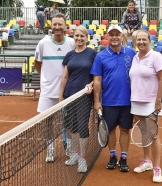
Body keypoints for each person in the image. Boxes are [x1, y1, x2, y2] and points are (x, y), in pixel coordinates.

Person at [90, 25, 136, 172]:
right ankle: (112, 156)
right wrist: (97, 101)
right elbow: (97, 80)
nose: (115, 37)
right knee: (110, 130)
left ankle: (123, 158)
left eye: (117, 34)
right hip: (108, 101)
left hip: (127, 101)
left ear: (122, 36)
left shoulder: (132, 53)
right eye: (112, 35)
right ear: (107, 37)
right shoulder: (100, 56)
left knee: (124, 130)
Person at [34, 13, 76, 163]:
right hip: (47, 92)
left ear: (65, 26)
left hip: (67, 92)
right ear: (50, 26)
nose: (57, 27)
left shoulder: (71, 43)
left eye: (60, 24)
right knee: (48, 122)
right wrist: (46, 78)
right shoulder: (43, 43)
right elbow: (37, 63)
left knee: (69, 122)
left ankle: (69, 147)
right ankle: (50, 149)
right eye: (55, 24)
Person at [129, 30, 162, 183]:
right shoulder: (134, 58)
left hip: (151, 102)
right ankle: (147, 161)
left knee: (153, 135)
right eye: (139, 40)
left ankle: (157, 167)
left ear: (149, 41)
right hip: (136, 101)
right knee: (144, 133)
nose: (141, 42)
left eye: (144, 39)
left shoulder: (156, 57)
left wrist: (158, 101)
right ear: (135, 42)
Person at [59, 26, 97, 173]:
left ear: (86, 37)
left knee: (82, 126)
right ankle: (75, 154)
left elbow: (97, 75)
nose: (79, 39)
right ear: (73, 37)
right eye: (77, 36)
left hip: (84, 96)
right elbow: (65, 77)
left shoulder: (92, 53)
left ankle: (82, 158)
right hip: (69, 95)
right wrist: (61, 97)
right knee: (72, 127)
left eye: (82, 36)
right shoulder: (69, 55)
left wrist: (92, 84)